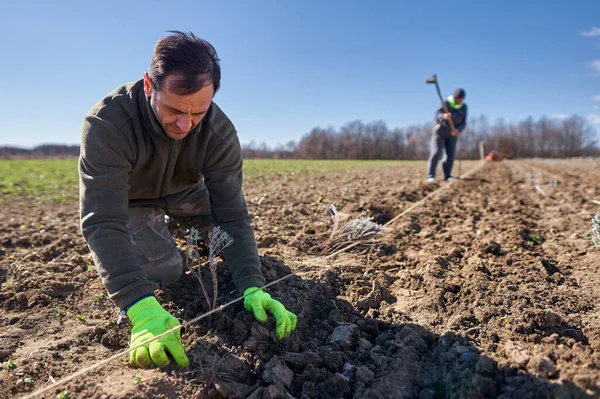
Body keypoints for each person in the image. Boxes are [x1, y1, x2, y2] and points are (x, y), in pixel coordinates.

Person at [78, 31, 297, 369]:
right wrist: (139, 305)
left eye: (197, 113)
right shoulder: (107, 124)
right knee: (165, 270)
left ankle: (184, 233)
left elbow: (233, 215)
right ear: (150, 85)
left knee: (223, 240)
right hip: (133, 201)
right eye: (175, 110)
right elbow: (102, 219)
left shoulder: (219, 132)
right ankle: (159, 242)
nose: (184, 124)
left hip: (186, 193)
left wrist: (253, 286)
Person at [426, 88, 467, 182]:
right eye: (458, 98)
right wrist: (444, 116)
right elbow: (437, 116)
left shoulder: (463, 107)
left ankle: (447, 175)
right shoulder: (446, 103)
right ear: (455, 97)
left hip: (452, 134)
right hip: (440, 132)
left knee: (450, 155)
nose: (460, 100)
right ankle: (430, 175)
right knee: (436, 152)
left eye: (462, 98)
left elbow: (464, 123)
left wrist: (458, 130)